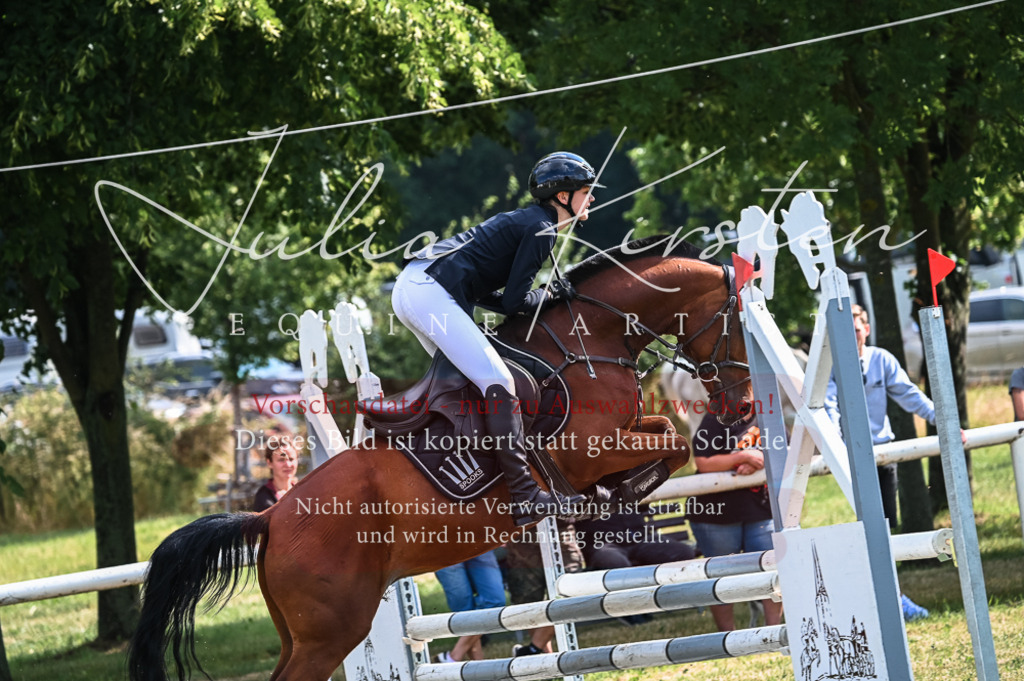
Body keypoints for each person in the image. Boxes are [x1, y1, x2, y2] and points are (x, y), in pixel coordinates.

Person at [391, 152, 598, 526]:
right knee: (499, 381)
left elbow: (497, 298)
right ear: (563, 196)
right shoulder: (542, 228)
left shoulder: (534, 222)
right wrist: (550, 296)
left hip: (420, 288)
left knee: (469, 384)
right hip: (429, 291)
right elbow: (515, 303)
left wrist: (543, 294)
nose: (593, 197)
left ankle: (461, 470)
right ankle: (524, 494)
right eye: (586, 190)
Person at [823, 303, 933, 621]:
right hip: (852, 458)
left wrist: (944, 419)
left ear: (866, 330)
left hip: (884, 455)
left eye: (856, 329)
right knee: (869, 531)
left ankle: (889, 597)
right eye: (844, 331)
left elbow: (909, 394)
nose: (852, 336)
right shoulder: (830, 365)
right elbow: (829, 408)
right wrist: (839, 447)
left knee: (883, 529)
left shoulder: (881, 359)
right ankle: (887, 598)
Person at [687, 411, 784, 631]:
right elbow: (704, 462)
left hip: (761, 510)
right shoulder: (716, 418)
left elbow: (784, 453)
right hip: (716, 515)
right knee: (719, 575)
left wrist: (756, 462)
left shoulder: (769, 415)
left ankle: (774, 632)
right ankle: (727, 637)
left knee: (772, 570)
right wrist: (742, 458)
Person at [504, 521, 584, 656]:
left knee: (571, 595)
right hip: (522, 540)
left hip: (560, 537)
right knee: (528, 604)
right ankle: (547, 658)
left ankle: (532, 650)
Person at [432, 550, 507, 663]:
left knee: (495, 601)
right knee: (463, 609)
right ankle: (479, 667)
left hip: (479, 542)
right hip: (442, 546)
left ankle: (454, 656)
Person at [252, 439, 299, 511]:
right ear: (269, 463)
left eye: (291, 459)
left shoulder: (303, 492)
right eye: (281, 460)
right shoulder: (264, 498)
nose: (288, 464)